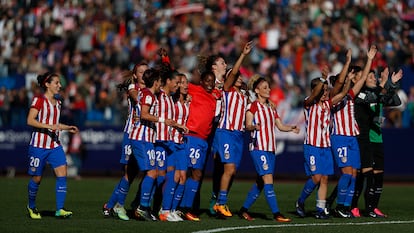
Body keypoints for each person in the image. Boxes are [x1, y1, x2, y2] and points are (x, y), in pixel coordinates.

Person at [238, 76, 300, 222]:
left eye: (269, 87)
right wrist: (253, 127)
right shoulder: (253, 106)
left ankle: (243, 210)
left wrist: (291, 128)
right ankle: (277, 213)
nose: (269, 90)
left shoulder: (271, 107)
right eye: (265, 87)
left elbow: (280, 126)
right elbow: (247, 125)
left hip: (270, 149)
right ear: (257, 90)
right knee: (268, 179)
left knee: (261, 182)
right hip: (258, 147)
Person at [325, 46, 377, 218]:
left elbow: (361, 80)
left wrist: (369, 59)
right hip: (339, 137)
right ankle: (339, 205)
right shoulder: (332, 98)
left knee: (354, 173)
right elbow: (341, 84)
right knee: (347, 173)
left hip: (352, 138)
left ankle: (345, 206)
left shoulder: (350, 96)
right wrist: (347, 64)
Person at [295, 69, 352, 219]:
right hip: (312, 145)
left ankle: (320, 209)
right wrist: (323, 79)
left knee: (325, 178)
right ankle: (300, 201)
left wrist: (348, 82)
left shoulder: (327, 104)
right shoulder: (309, 102)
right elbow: (314, 95)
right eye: (323, 90)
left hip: (325, 146)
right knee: (316, 177)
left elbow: (341, 94)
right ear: (315, 90)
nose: (326, 92)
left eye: (327, 89)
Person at [26, 72, 79, 219]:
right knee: (37, 178)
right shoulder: (38, 99)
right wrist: (49, 126)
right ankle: (31, 206)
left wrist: (68, 127)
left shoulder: (58, 102)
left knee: (62, 174)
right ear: (47, 84)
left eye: (60, 83)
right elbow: (30, 120)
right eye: (56, 83)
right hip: (38, 145)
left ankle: (60, 209)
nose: (60, 85)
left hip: (54, 145)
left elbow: (55, 124)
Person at [351, 67, 402, 218]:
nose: (374, 78)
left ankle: (374, 207)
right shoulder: (363, 95)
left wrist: (391, 85)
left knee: (379, 176)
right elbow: (374, 97)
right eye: (371, 76)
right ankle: (355, 206)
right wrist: (385, 85)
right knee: (364, 175)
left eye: (375, 76)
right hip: (366, 140)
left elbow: (396, 101)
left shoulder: (378, 94)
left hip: (378, 139)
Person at [211, 41, 253, 217]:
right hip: (226, 132)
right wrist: (243, 55)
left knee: (233, 170)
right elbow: (234, 71)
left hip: (238, 135)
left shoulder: (244, 95)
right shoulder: (228, 90)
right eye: (236, 76)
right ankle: (220, 202)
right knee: (228, 169)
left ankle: (220, 201)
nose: (240, 77)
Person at [103, 63, 148, 221]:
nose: (144, 74)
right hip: (131, 134)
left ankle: (110, 205)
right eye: (141, 72)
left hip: (146, 136)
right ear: (135, 75)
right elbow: (139, 99)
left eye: (146, 72)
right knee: (129, 173)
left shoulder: (152, 90)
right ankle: (118, 206)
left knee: (136, 173)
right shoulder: (132, 87)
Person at [178, 70, 218, 221]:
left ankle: (183, 207)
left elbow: (227, 86)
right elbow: (176, 81)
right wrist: (166, 59)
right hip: (191, 136)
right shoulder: (194, 89)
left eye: (211, 81)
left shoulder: (215, 95)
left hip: (203, 141)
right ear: (201, 81)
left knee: (195, 174)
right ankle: (183, 207)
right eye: (207, 80)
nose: (209, 83)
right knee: (189, 173)